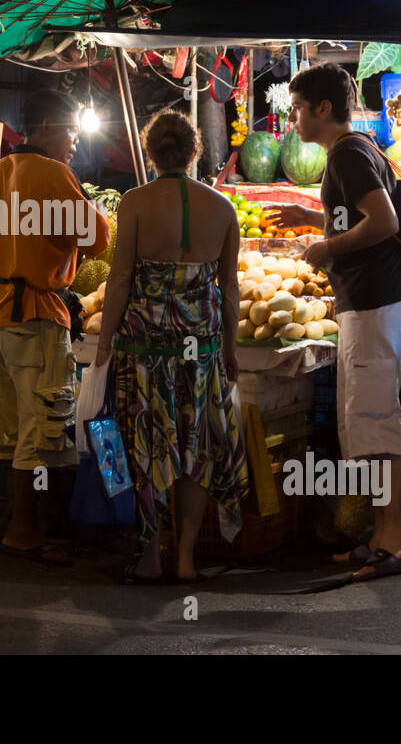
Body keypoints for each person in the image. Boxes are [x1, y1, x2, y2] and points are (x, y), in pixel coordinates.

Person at [275, 62, 401, 579]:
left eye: (298, 109)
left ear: (322, 108)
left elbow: (385, 222)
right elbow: (360, 216)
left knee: (377, 417)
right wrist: (312, 218)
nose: (293, 118)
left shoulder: (347, 155)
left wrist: (325, 247)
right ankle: (384, 534)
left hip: (373, 299)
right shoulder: (355, 150)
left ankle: (397, 537)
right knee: (367, 417)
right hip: (368, 300)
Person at [0, 89, 110, 566]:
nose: (75, 143)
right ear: (43, 129)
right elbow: (96, 240)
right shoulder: (56, 175)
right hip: (35, 317)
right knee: (39, 428)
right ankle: (23, 531)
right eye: (71, 132)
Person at [94, 108, 249, 584]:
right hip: (200, 353)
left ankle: (149, 556)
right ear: (195, 150)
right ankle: (184, 558)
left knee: (146, 448)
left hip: (144, 352)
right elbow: (229, 288)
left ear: (149, 151)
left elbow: (119, 281)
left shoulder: (135, 203)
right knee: (195, 449)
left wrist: (103, 345)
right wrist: (230, 351)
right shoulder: (222, 208)